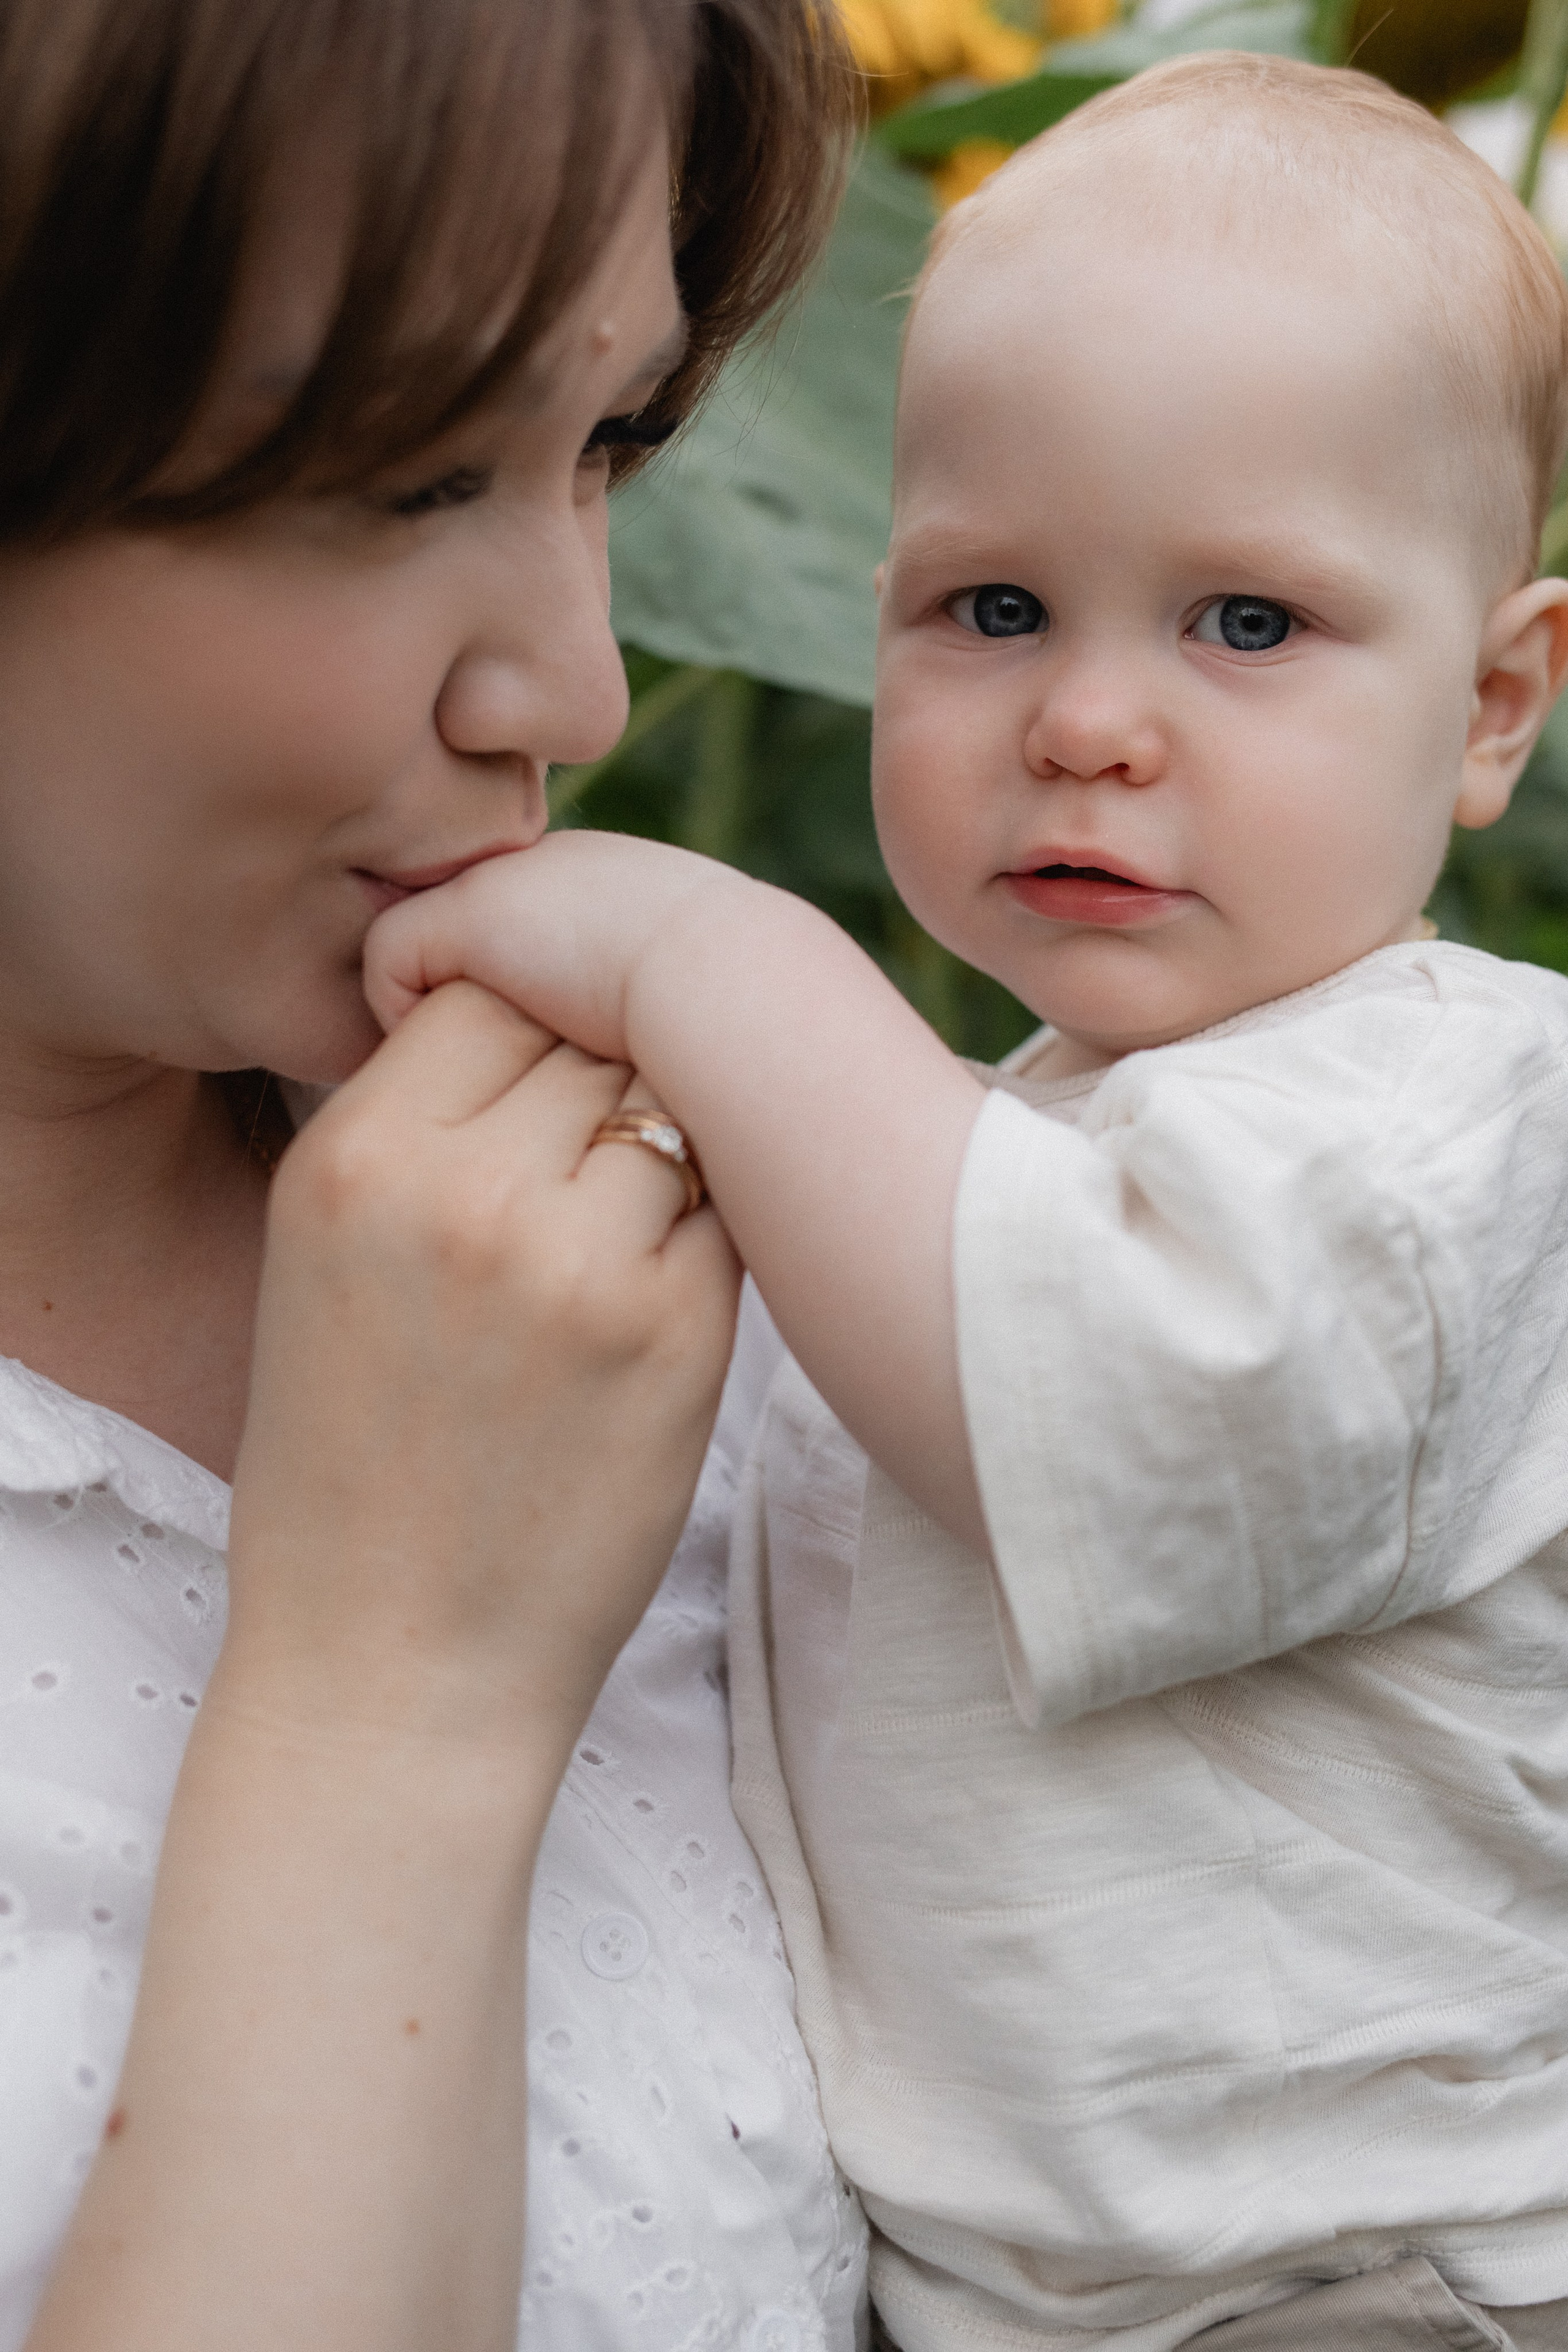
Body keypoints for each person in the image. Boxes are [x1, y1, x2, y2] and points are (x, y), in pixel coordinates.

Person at [367, 53, 1568, 2352]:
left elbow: (1112, 1404)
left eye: (1245, 626)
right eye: (994, 609)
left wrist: (710, 962)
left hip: (1357, 2289)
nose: (1089, 723)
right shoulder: (1025, 1140)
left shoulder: (1464, 1124)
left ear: (1496, 702)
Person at [0, 1, 872, 2346]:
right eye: (401, 476)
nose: (573, 690)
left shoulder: (729, 1220)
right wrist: (396, 1703)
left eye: (604, 443)